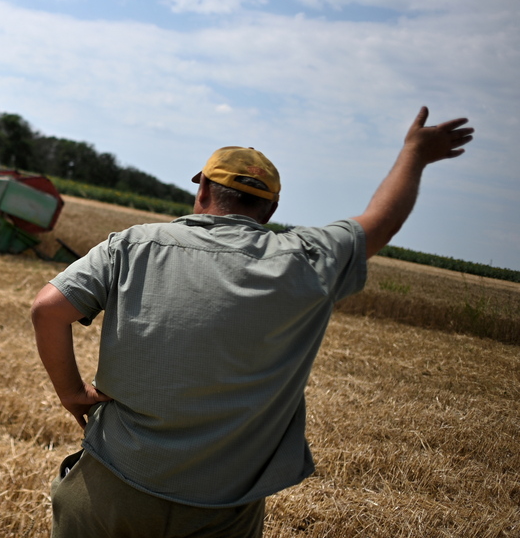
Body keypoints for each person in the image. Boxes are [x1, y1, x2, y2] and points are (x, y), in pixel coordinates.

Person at [31, 107, 474, 538]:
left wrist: (73, 394)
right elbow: (382, 220)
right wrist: (415, 154)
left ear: (203, 188)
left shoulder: (133, 245)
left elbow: (48, 309)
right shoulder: (305, 260)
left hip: (110, 483)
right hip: (219, 510)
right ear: (270, 209)